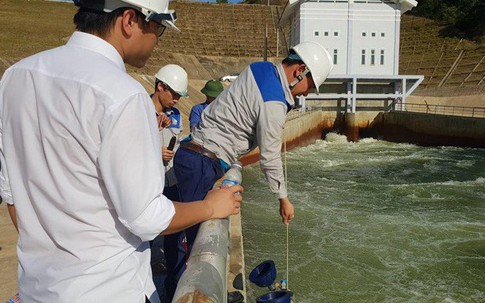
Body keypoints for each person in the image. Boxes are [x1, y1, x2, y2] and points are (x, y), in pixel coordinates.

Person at [0, 1, 243, 302]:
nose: (157, 39)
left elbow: (12, 197)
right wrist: (210, 207)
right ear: (129, 20)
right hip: (108, 289)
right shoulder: (123, 94)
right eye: (158, 29)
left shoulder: (16, 76)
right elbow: (146, 216)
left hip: (37, 289)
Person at [171, 41, 333, 292]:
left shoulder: (260, 69)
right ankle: (177, 292)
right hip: (203, 163)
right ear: (300, 70)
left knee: (183, 237)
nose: (306, 93)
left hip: (194, 154)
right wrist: (283, 198)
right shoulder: (275, 103)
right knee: (192, 248)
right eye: (310, 86)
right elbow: (269, 156)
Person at [149, 64, 188, 301]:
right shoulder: (139, 110)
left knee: (173, 235)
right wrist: (156, 151)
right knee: (147, 238)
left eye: (179, 96)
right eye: (173, 94)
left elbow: (178, 140)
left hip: (170, 181)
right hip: (150, 185)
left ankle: (172, 287)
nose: (176, 99)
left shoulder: (174, 115)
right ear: (159, 86)